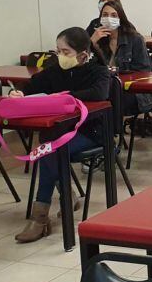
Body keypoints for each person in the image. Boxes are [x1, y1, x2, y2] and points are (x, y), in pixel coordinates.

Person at [10, 27, 111, 243]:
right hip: (60, 132)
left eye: (65, 52)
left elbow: (99, 93)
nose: (60, 56)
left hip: (91, 133)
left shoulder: (99, 71)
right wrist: (19, 92)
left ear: (83, 54)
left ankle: (40, 217)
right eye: (58, 51)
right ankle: (64, 197)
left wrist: (64, 97)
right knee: (49, 146)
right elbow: (34, 83)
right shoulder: (56, 70)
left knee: (49, 150)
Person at [89, 0, 152, 117]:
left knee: (111, 99)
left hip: (135, 92)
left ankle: (111, 132)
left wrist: (115, 72)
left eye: (113, 15)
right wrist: (91, 43)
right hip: (107, 88)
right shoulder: (99, 40)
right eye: (105, 15)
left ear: (120, 18)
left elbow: (144, 72)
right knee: (94, 97)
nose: (108, 18)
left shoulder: (135, 39)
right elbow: (86, 68)